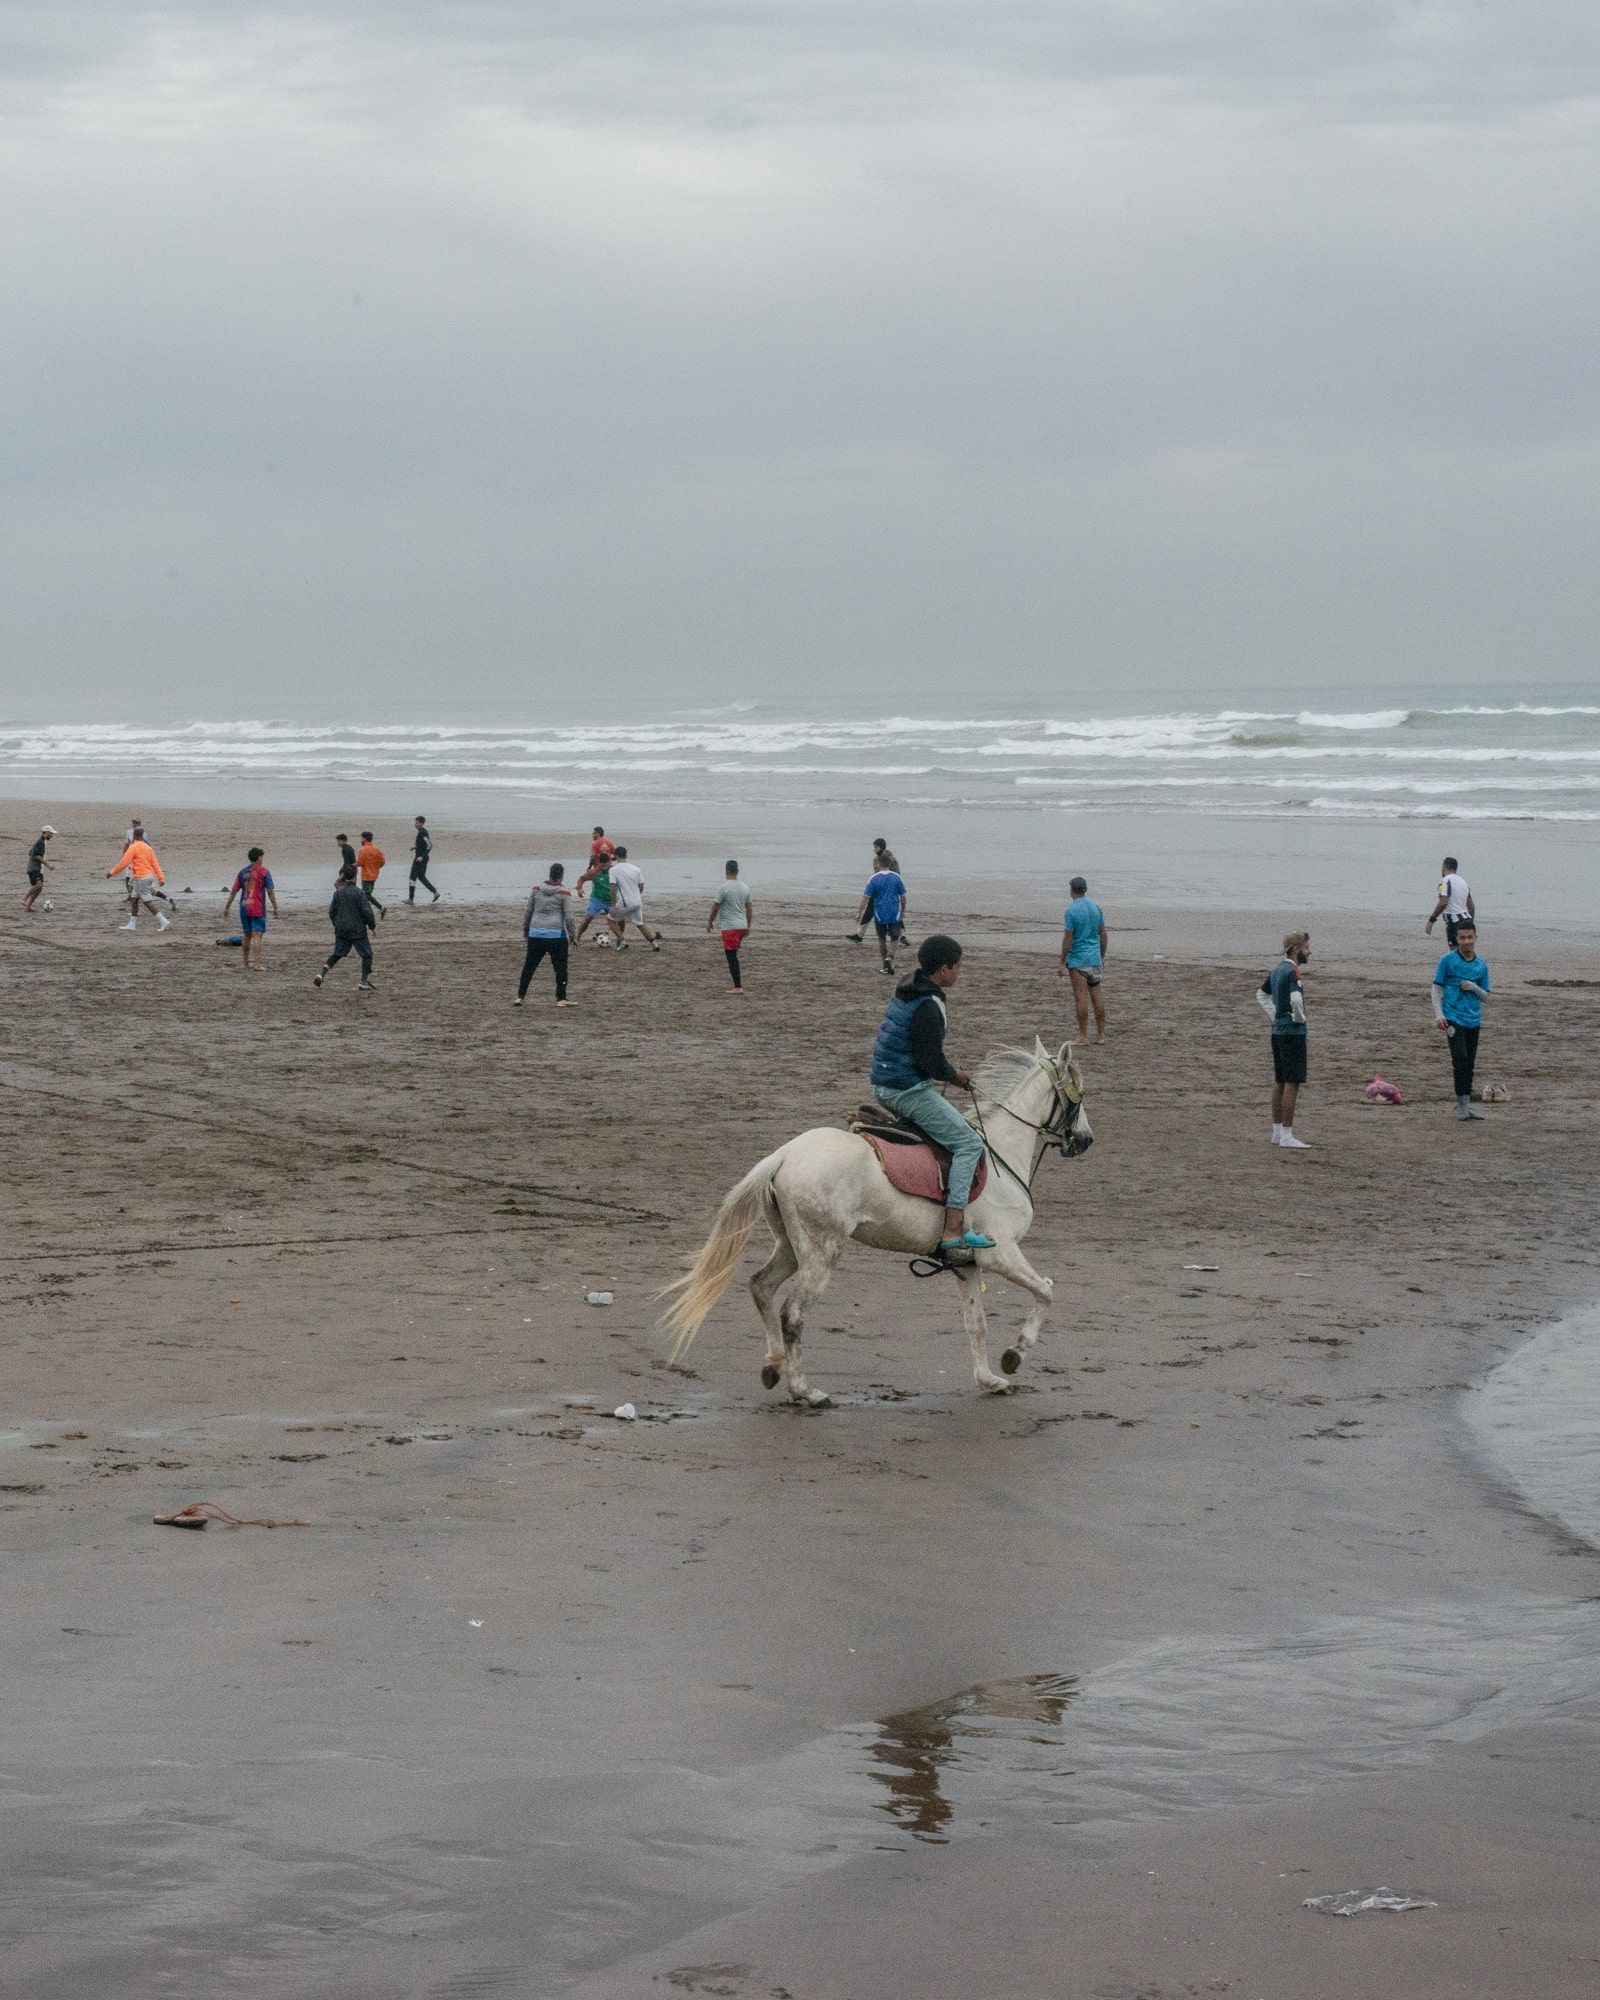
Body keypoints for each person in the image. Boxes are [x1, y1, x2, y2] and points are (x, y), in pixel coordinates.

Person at [870, 934, 993, 1254]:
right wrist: (956, 1076)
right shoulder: (928, 1005)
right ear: (943, 970)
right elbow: (931, 1062)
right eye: (957, 966)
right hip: (905, 1088)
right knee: (969, 1143)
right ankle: (952, 1230)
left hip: (885, 1081)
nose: (959, 972)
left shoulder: (911, 988)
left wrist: (947, 1071)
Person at [1432, 919, 1491, 1119]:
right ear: (1456, 939)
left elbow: (1486, 996)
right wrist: (1439, 1015)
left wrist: (1473, 987)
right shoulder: (1447, 961)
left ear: (1476, 938)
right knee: (1460, 1059)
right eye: (1462, 938)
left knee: (1470, 1063)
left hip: (1473, 1020)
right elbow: (1436, 989)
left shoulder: (1481, 965)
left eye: (1469, 938)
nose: (1466, 942)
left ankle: (1465, 1106)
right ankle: (1460, 1106)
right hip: (1452, 1017)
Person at [1257, 931, 1311, 1148]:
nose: (1309, 951)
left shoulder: (1277, 969)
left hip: (1278, 1032)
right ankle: (1287, 1135)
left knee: (1280, 1081)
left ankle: (1277, 1131)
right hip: (1292, 1033)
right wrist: (1299, 1018)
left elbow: (1261, 995)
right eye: (1306, 947)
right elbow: (1296, 999)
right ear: (1296, 949)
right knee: (1292, 1082)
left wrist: (1276, 1016)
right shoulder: (1292, 972)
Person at [515, 863, 580, 1006]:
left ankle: (520, 996)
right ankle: (561, 998)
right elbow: (569, 917)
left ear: (550, 874)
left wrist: (526, 929)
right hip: (556, 935)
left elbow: (528, 911)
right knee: (560, 968)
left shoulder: (536, 890)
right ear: (561, 876)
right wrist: (572, 935)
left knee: (529, 966)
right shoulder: (564, 892)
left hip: (536, 933)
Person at [1059, 874, 1108, 1043]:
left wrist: (1062, 962)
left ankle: (1083, 1036)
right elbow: (1103, 934)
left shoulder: (1071, 911)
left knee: (1081, 997)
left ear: (1072, 890)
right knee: (1097, 997)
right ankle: (1101, 1035)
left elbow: (1068, 938)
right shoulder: (1096, 908)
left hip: (1079, 960)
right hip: (1094, 958)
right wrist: (1101, 955)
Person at [314, 866, 376, 990]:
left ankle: (321, 974)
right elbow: (367, 912)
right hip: (357, 930)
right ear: (355, 876)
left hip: (342, 929)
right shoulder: (359, 893)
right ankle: (363, 982)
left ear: (344, 877)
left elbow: (332, 911)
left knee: (337, 954)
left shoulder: (338, 893)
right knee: (367, 955)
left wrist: (336, 924)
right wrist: (372, 926)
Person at [223, 846, 280, 971]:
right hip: (257, 907)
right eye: (262, 857)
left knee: (247, 935)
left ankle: (245, 963)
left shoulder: (242, 872)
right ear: (259, 857)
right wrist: (275, 907)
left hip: (244, 906)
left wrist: (227, 907)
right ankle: (257, 964)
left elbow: (234, 891)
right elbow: (270, 891)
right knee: (257, 935)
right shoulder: (264, 871)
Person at [107, 828, 171, 932]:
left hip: (141, 878)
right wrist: (161, 878)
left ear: (134, 836)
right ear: (142, 836)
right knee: (134, 900)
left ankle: (163, 921)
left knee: (147, 902)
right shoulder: (148, 848)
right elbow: (155, 864)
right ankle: (132, 925)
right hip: (143, 877)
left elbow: (124, 863)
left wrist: (112, 872)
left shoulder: (133, 847)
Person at [855, 861, 908, 974]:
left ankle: (885, 964)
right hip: (894, 913)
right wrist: (903, 910)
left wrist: (859, 912)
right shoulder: (896, 877)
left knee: (881, 938)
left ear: (879, 864)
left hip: (880, 913)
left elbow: (865, 897)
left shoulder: (874, 878)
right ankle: (890, 957)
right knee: (895, 937)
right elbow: (903, 897)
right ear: (889, 864)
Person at [707, 860, 753, 990]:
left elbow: (715, 907)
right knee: (733, 953)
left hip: (730, 927)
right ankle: (737, 985)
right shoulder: (745, 887)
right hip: (742, 925)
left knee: (731, 956)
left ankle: (738, 987)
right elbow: (749, 909)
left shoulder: (723, 888)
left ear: (726, 870)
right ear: (737, 871)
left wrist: (710, 921)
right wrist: (748, 926)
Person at [607, 846, 661, 951]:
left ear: (616, 856)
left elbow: (613, 887)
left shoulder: (613, 870)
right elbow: (641, 887)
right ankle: (654, 944)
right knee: (639, 924)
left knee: (610, 919)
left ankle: (622, 941)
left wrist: (614, 904)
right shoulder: (636, 869)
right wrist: (634, 895)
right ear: (626, 855)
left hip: (625, 903)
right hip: (637, 902)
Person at [1426, 857, 1475, 948]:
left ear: (1444, 867)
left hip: (1454, 920)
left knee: (1455, 951)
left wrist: (1432, 920)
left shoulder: (1446, 880)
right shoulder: (1463, 882)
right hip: (1467, 919)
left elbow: (1443, 903)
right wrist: (1470, 924)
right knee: (1466, 951)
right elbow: (1471, 907)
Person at [574, 850, 615, 941]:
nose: (604, 868)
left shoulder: (614, 871)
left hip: (611, 901)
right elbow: (582, 879)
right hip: (597, 899)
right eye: (602, 866)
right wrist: (579, 889)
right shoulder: (595, 871)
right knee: (588, 918)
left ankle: (620, 939)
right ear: (600, 864)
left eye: (606, 866)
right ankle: (577, 937)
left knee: (618, 920)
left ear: (609, 862)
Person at [22, 825, 55, 911]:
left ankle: (28, 908)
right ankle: (24, 899)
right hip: (34, 868)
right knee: (38, 885)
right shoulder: (40, 842)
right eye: (51, 833)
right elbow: (38, 857)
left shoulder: (42, 842)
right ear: (46, 833)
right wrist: (48, 866)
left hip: (38, 869)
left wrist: (34, 856)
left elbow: (30, 852)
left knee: (39, 889)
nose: (52, 835)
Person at [408, 816, 439, 903]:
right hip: (422, 858)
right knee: (421, 877)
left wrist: (421, 856)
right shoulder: (421, 831)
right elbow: (424, 845)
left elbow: (429, 845)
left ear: (422, 823)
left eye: (417, 823)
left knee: (412, 877)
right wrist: (415, 847)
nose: (415, 824)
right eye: (415, 822)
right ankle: (435, 892)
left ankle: (410, 899)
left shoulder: (423, 833)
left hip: (420, 859)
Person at [356, 832, 387, 916]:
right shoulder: (377, 849)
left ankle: (381, 907)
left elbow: (360, 862)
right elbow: (382, 861)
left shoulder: (363, 849)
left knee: (366, 895)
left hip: (366, 876)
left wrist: (353, 865)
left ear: (365, 839)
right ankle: (364, 910)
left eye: (361, 838)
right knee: (367, 895)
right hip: (374, 875)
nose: (361, 840)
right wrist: (376, 868)